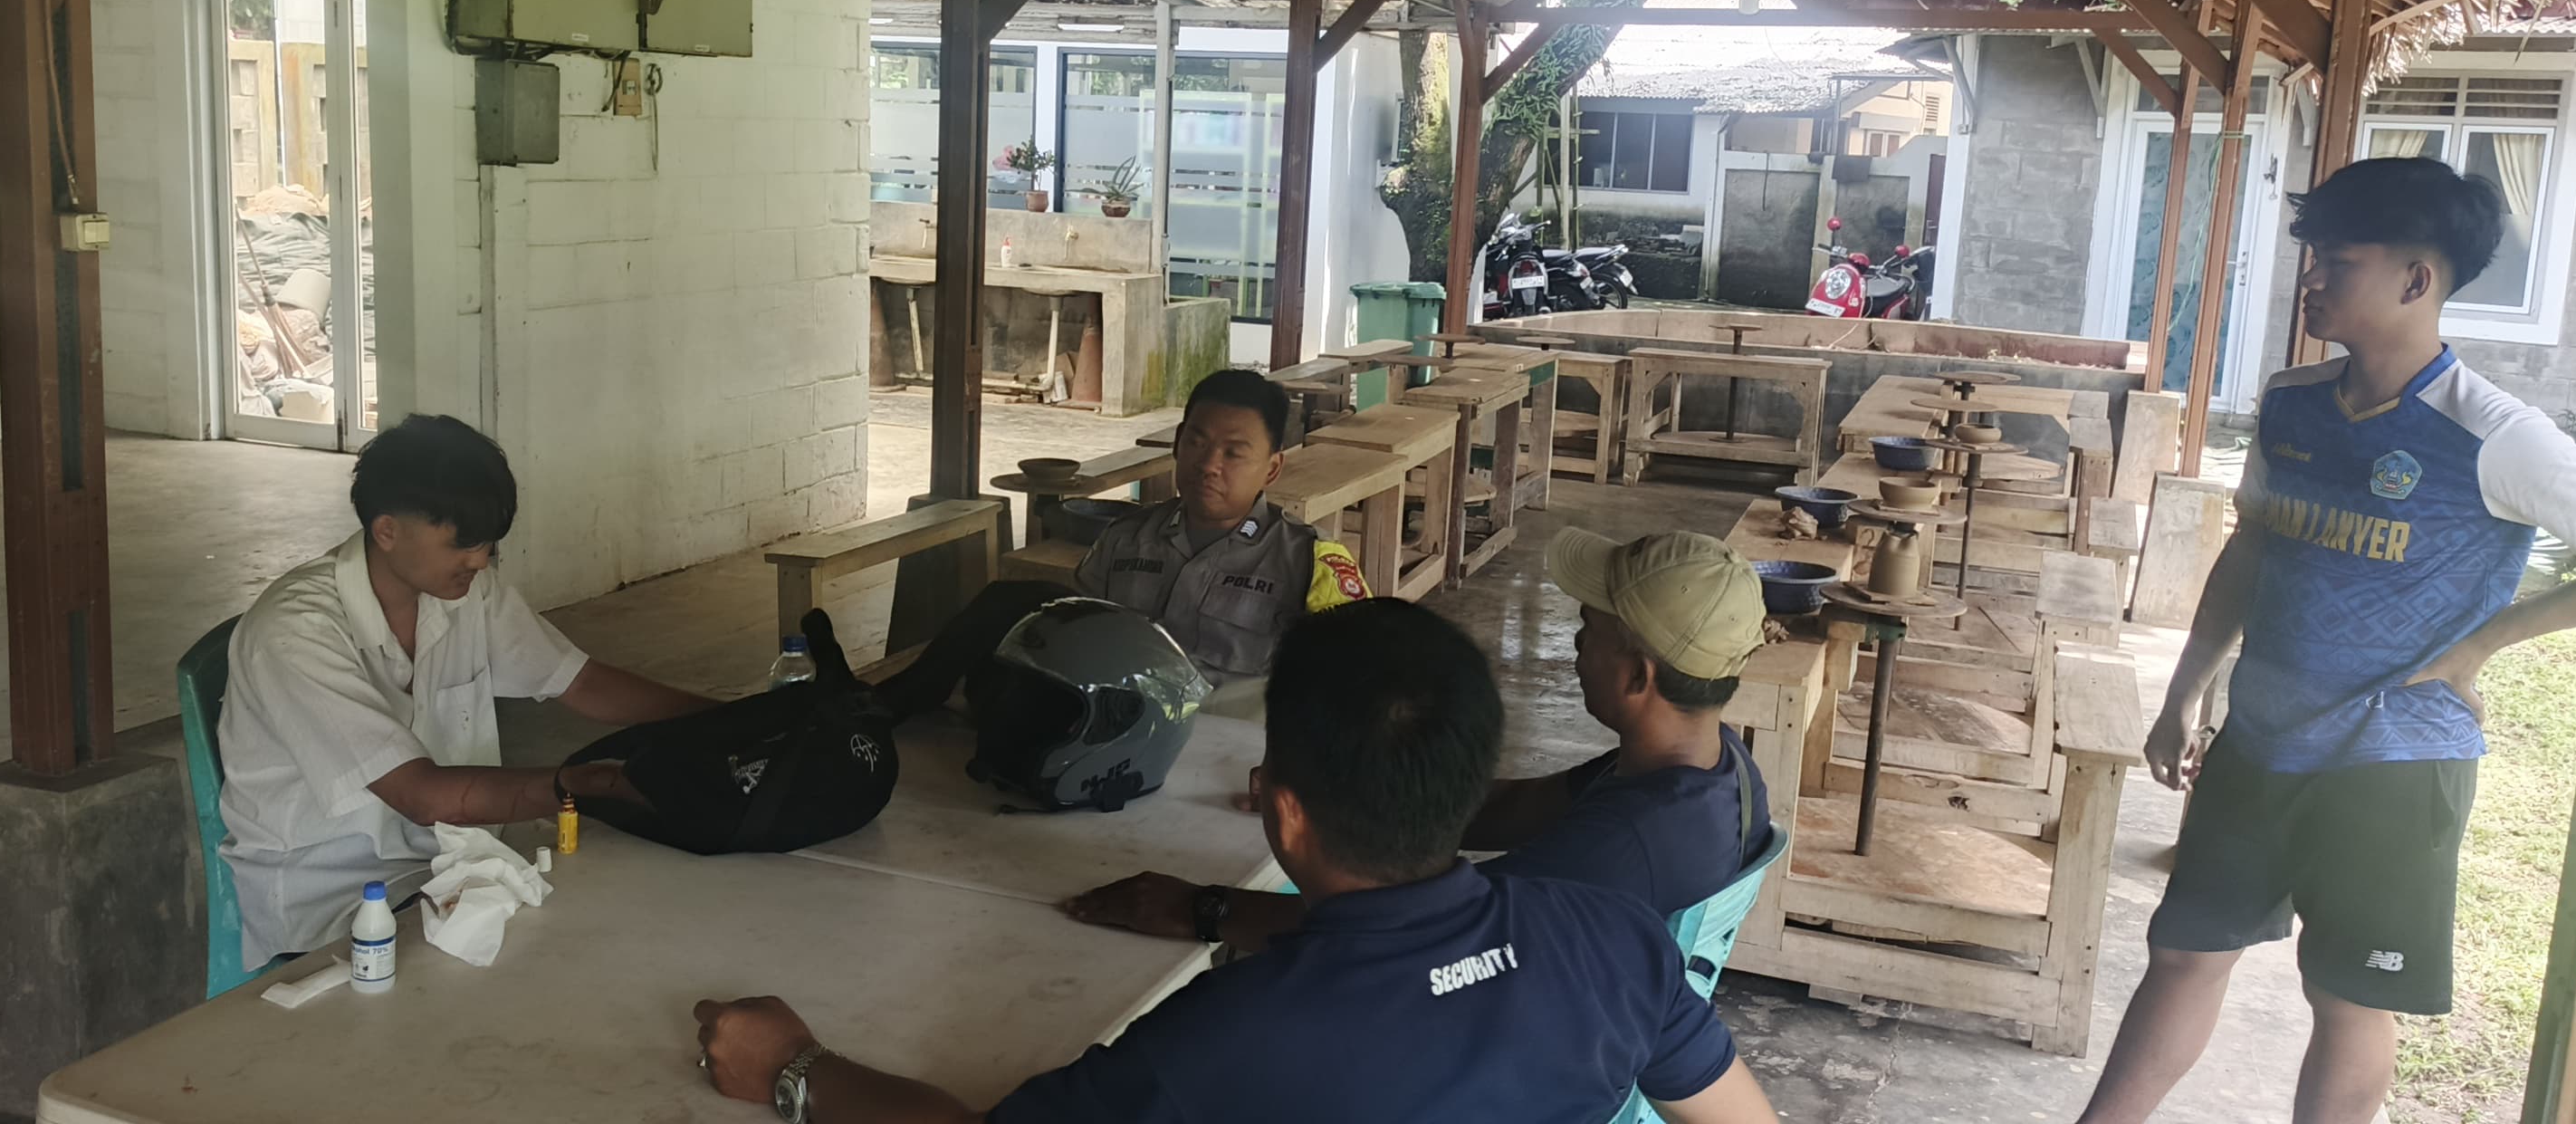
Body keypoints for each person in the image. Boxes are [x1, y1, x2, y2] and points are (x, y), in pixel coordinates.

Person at [691, 600, 1780, 1124]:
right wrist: (1214, 913)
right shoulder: (1614, 943)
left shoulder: (1220, 1045)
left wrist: (797, 1068)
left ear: (1285, 816)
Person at [2077, 157, 2576, 1124]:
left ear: (2416, 280)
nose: (2312, 279)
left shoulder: (2494, 435)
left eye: (2338, 261)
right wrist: (2184, 692)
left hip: (2394, 761)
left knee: (2346, 996)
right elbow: (2252, 548)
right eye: (2313, 257)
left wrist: (2487, 643)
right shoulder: (2292, 402)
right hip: (2259, 739)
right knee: (2183, 952)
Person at [1062, 527, 1774, 947]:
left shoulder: (1623, 848)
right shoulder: (1709, 769)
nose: (1574, 645)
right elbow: (1517, 808)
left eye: (1587, 629)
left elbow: (1417, 937)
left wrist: (1204, 909)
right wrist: (1355, 791)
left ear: (1638, 676)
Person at [215, 414, 716, 969]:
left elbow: (582, 682)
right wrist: (585, 784)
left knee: (622, 920)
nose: (479, 560)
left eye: (488, 544)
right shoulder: (295, 630)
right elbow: (422, 796)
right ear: (387, 531)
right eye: (462, 543)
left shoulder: (466, 593)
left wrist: (738, 721)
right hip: (331, 900)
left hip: (450, 866)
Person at [882, 369, 1362, 716]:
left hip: (1227, 762)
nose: (1208, 464)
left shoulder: (1310, 562)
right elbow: (1074, 645)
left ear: (1272, 469)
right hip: (1111, 736)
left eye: (1234, 453)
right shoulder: (1126, 538)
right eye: (1196, 443)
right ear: (1178, 442)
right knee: (1010, 608)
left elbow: (1353, 690)